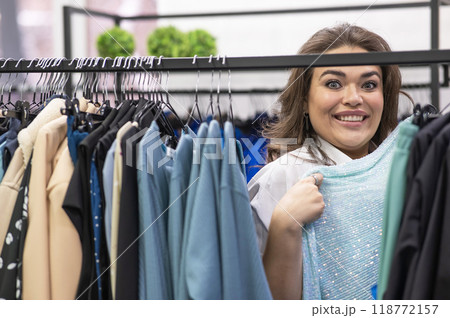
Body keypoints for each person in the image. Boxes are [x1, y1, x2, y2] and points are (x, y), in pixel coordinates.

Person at [248, 23, 407, 300]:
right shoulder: (280, 179)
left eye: (369, 84)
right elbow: (260, 303)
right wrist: (285, 226)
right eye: (333, 83)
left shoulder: (409, 173)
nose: (354, 98)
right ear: (305, 100)